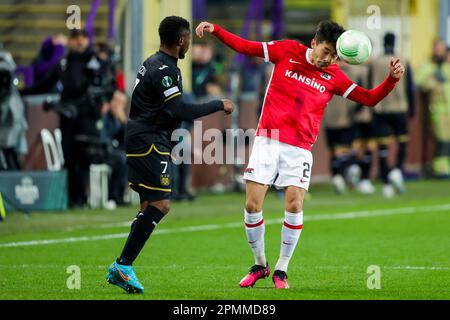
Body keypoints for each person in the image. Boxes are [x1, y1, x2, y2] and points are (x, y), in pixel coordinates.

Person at [196, 20, 405, 289]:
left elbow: (369, 99)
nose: (328, 59)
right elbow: (247, 47)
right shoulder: (287, 51)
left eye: (334, 56)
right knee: (251, 206)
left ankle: (281, 270)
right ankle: (260, 264)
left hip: (299, 149)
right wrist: (217, 30)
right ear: (314, 43)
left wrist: (391, 80)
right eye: (326, 52)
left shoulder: (334, 76)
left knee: (294, 205)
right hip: (267, 140)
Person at [105, 16, 234, 294]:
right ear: (181, 40)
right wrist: (218, 104)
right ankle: (123, 264)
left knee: (147, 206)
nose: (190, 43)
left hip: (142, 136)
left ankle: (123, 267)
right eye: (188, 38)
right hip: (150, 140)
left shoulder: (154, 61)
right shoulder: (166, 70)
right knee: (161, 204)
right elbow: (180, 111)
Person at [21, 29, 109, 208]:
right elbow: (44, 84)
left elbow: (107, 85)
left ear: (87, 40)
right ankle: (72, 199)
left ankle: (84, 197)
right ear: (69, 41)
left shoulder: (95, 62)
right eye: (75, 38)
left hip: (87, 117)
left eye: (82, 38)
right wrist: (20, 92)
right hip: (68, 116)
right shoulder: (63, 63)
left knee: (85, 157)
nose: (79, 41)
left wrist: (100, 99)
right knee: (69, 157)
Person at [369, 33, 416, 197]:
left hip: (380, 108)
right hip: (399, 108)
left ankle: (386, 183)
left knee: (382, 146)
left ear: (383, 43)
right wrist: (412, 110)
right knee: (401, 141)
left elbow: (369, 86)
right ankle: (396, 170)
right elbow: (410, 87)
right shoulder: (403, 59)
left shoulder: (374, 62)